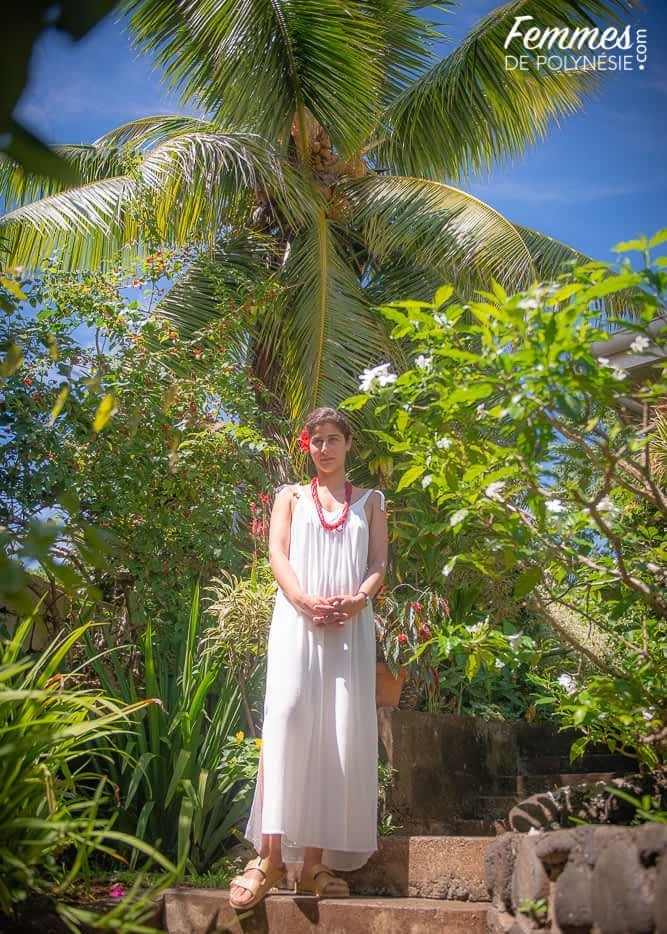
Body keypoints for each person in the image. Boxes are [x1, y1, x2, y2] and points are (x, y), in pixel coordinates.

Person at [229, 406, 388, 908]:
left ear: (348, 443)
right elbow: (277, 553)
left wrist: (358, 600)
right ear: (308, 445)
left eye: (333, 438)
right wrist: (301, 599)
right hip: (297, 622)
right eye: (316, 440)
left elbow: (378, 562)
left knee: (334, 729)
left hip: (348, 630)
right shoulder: (291, 497)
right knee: (288, 716)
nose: (324, 448)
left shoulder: (371, 503)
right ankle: (271, 856)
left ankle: (314, 864)